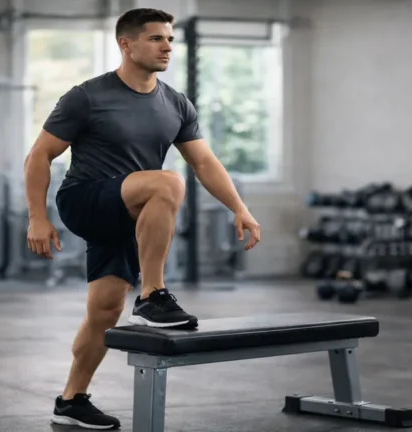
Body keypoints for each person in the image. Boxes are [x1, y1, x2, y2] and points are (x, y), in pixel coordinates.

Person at [23, 7, 262, 430]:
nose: (167, 46)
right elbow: (39, 155)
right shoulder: (88, 96)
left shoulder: (176, 103)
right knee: (168, 182)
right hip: (85, 199)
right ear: (126, 44)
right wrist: (37, 217)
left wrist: (240, 208)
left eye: (170, 39)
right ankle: (152, 295)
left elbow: (205, 162)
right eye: (155, 38)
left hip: (129, 214)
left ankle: (71, 400)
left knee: (104, 310)